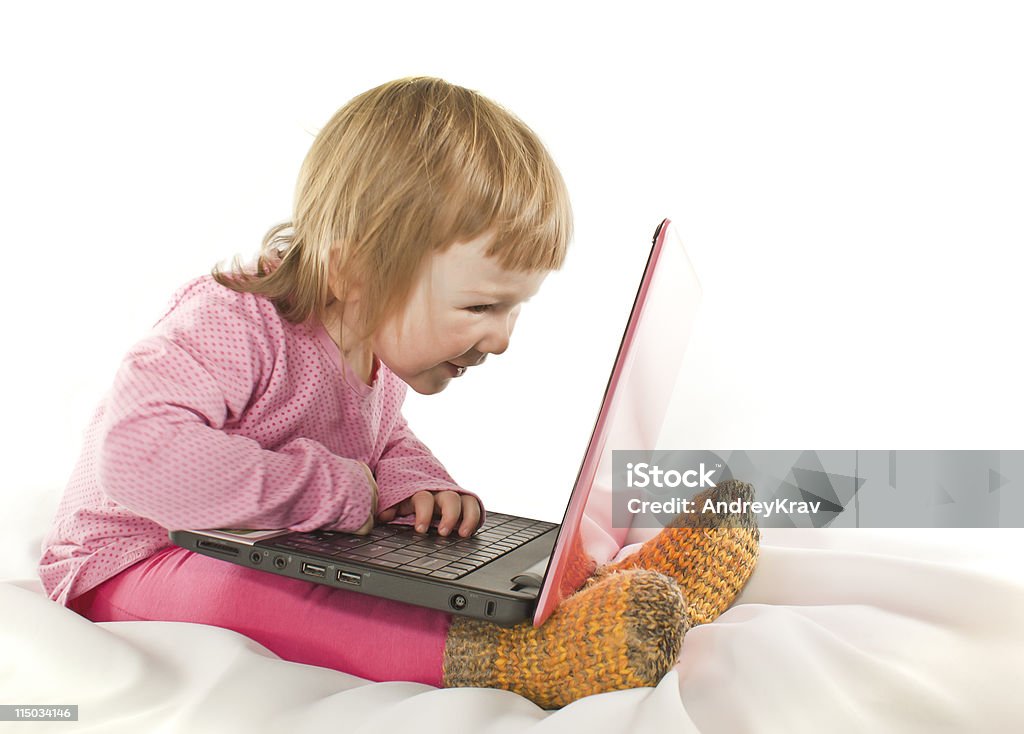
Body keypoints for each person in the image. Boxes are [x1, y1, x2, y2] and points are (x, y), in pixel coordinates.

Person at [38, 77, 760, 710]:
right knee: (294, 595)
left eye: (515, 309)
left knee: (393, 566)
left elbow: (378, 442)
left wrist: (413, 486)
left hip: (253, 538)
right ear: (355, 270)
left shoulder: (368, 347)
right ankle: (524, 659)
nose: (503, 338)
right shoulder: (234, 323)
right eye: (481, 308)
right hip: (130, 558)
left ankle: (598, 586)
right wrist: (337, 493)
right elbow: (136, 457)